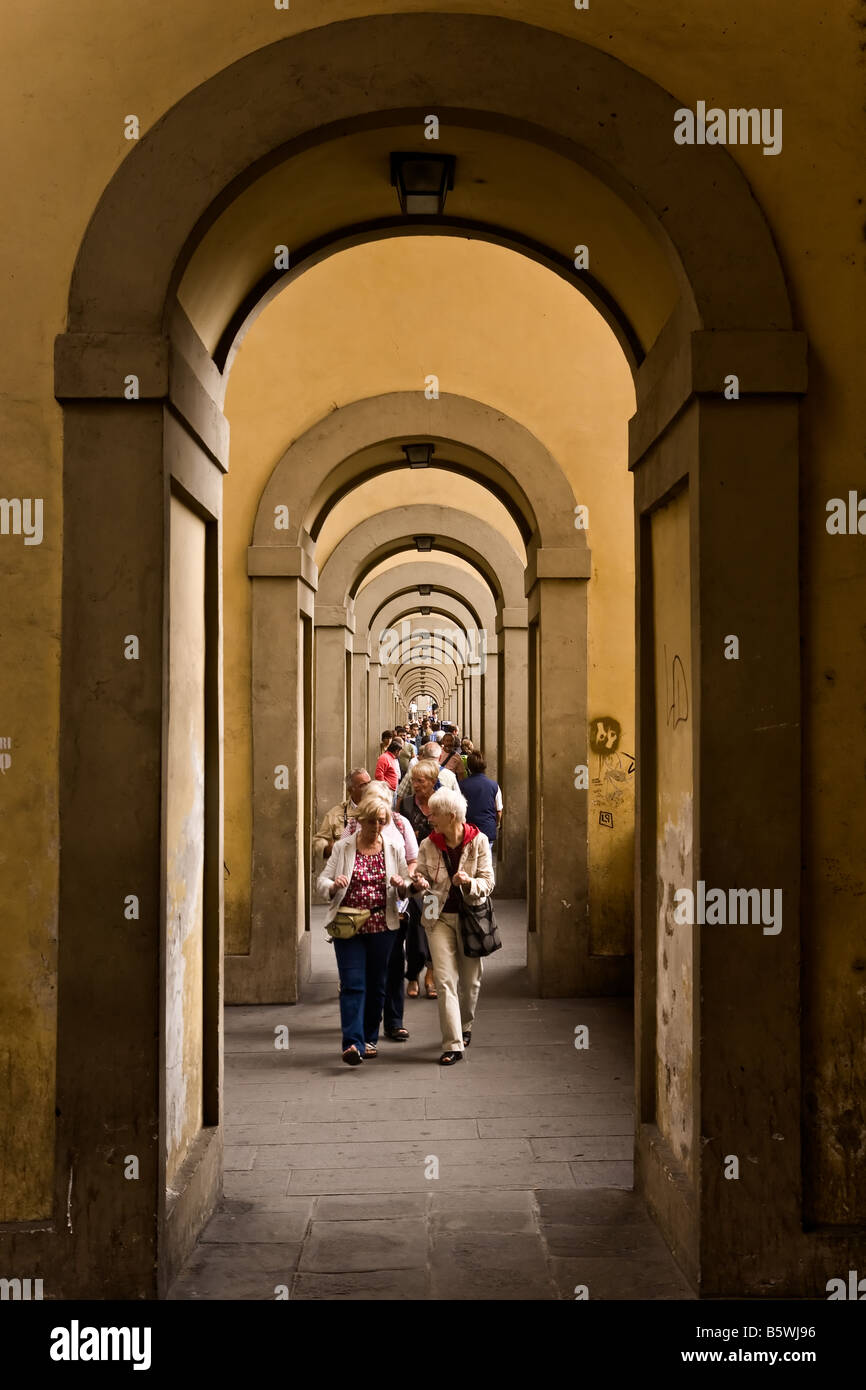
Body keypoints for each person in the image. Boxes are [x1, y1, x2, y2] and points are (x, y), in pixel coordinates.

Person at [317, 790, 411, 1065]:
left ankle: (370, 1036)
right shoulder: (342, 848)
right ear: (360, 821)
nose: (376, 827)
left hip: (383, 925)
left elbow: (405, 887)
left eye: (381, 821)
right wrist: (333, 886)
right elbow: (322, 881)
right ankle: (353, 1043)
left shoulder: (393, 849)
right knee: (353, 983)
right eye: (371, 821)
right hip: (348, 926)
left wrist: (402, 885)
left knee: (377, 983)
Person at [410, 787, 495, 1065]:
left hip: (471, 918)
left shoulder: (479, 841)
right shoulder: (428, 844)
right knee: (446, 981)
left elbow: (488, 882)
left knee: (470, 983)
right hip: (437, 917)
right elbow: (419, 877)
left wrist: (469, 883)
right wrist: (419, 884)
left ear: (451, 816)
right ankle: (453, 1043)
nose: (430, 818)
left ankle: (465, 1026)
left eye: (435, 814)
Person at [340, 781, 418, 1042]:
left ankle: (394, 1021)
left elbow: (412, 859)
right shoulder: (351, 829)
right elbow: (342, 864)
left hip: (396, 908)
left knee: (394, 965)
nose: (377, 819)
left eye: (381, 807)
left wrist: (407, 882)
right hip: (357, 915)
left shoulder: (400, 824)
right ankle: (364, 1028)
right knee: (365, 974)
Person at [397, 758, 445, 998]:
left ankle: (431, 972)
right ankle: (413, 972)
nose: (415, 784)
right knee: (416, 923)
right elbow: (397, 840)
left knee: (435, 922)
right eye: (414, 780)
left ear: (433, 782)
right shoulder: (405, 805)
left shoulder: (441, 804)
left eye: (421, 781)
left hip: (439, 874)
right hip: (413, 873)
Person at [312, 767, 371, 865]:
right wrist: (328, 848)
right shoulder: (335, 814)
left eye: (369, 783)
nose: (369, 788)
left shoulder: (380, 811)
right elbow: (318, 841)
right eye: (363, 785)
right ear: (350, 790)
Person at [460, 750, 502, 845]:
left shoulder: (461, 785)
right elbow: (499, 810)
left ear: (468, 767)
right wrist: (496, 824)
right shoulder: (494, 786)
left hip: (467, 830)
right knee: (486, 858)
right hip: (487, 829)